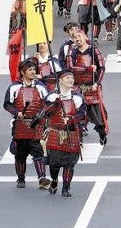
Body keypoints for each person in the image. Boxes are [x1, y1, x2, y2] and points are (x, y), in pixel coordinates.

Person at [33, 68, 86, 197]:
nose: (70, 80)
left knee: (70, 163)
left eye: (72, 78)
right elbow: (45, 112)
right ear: (60, 80)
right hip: (55, 133)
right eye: (67, 78)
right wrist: (56, 103)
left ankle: (66, 188)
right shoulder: (52, 96)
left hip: (71, 133)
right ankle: (55, 180)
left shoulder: (77, 97)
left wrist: (72, 119)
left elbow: (83, 113)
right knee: (54, 164)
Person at [2, 58, 51, 189]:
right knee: (20, 153)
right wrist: (16, 112)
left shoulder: (41, 86)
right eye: (30, 69)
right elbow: (7, 104)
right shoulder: (14, 87)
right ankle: (21, 178)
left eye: (34, 69)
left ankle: (42, 177)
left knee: (38, 151)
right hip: (20, 125)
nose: (33, 72)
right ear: (23, 72)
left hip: (37, 124)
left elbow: (48, 103)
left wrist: (44, 116)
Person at [60, 29, 108, 145]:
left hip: (91, 87)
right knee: (77, 114)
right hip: (77, 87)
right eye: (75, 38)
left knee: (98, 116)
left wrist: (97, 82)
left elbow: (101, 67)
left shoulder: (94, 50)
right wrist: (87, 69)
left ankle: (102, 132)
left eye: (79, 36)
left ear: (85, 37)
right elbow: (70, 68)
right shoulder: (72, 52)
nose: (78, 39)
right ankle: (79, 139)